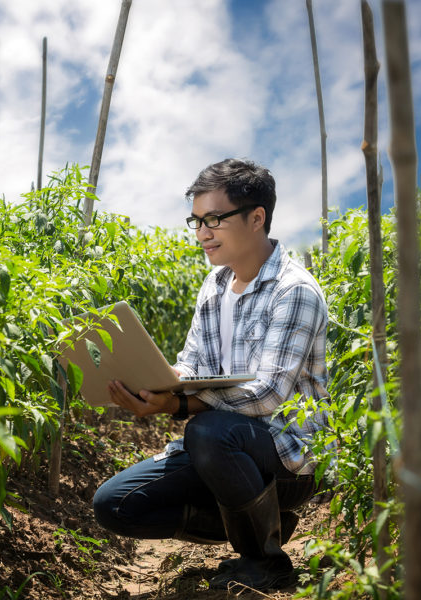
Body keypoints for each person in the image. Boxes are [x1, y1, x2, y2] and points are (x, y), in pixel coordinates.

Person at [92, 158, 330, 591]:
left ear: (256, 218)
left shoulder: (294, 290)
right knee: (115, 505)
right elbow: (193, 363)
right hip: (227, 447)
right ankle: (265, 523)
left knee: (207, 430)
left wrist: (180, 404)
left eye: (215, 220)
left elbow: (268, 395)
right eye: (197, 221)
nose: (202, 233)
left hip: (288, 458)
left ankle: (266, 560)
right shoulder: (215, 286)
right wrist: (160, 379)